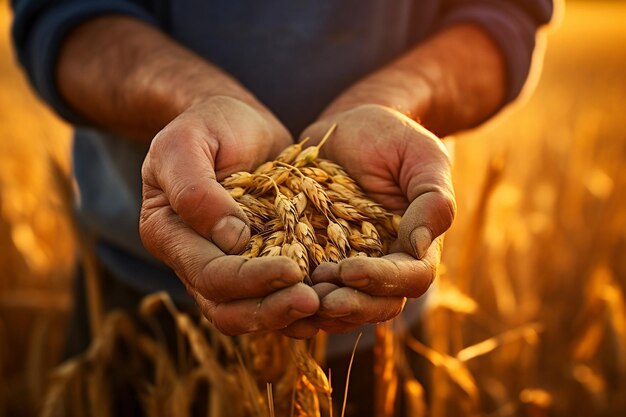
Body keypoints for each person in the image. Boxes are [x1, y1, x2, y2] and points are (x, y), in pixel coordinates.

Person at [11, 0, 553, 413]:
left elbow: (504, 15)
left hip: (382, 328)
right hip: (134, 307)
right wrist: (191, 98)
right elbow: (62, 12)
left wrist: (395, 97)